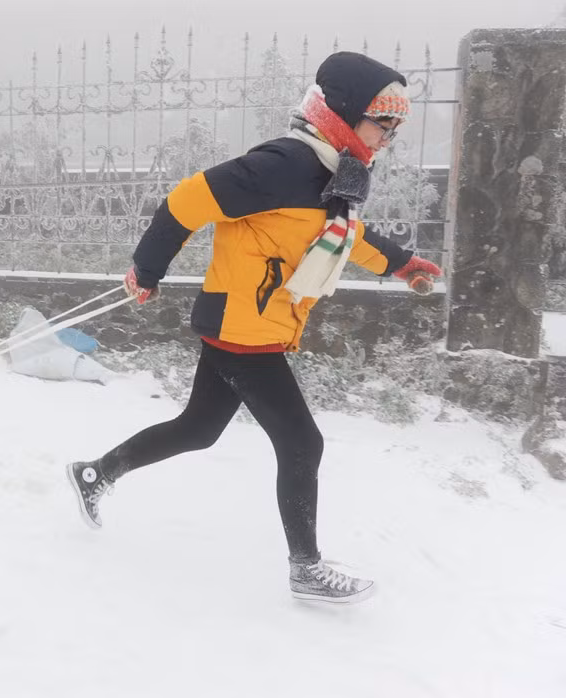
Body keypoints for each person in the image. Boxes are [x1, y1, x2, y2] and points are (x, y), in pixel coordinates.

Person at [66, 52, 442, 603]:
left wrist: (401, 264)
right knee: (301, 442)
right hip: (242, 330)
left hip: (252, 323)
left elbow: (344, 235)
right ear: (344, 111)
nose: (389, 135)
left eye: (396, 126)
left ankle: (95, 475)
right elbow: (185, 203)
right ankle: (306, 569)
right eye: (382, 122)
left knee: (198, 429)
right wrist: (148, 270)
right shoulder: (283, 164)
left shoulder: (335, 172)